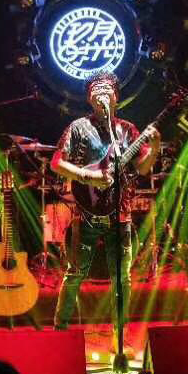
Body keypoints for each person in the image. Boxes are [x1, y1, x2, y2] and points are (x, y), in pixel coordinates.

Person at [51, 71, 160, 352]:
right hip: (85, 214)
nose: (101, 94)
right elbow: (56, 162)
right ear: (89, 99)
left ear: (116, 97)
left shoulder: (128, 130)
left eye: (106, 89)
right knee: (75, 274)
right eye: (95, 90)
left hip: (120, 215)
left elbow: (142, 168)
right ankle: (59, 334)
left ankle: (118, 338)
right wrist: (88, 177)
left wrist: (155, 147)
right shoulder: (78, 127)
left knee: (122, 279)